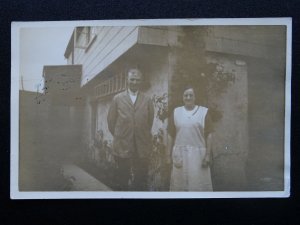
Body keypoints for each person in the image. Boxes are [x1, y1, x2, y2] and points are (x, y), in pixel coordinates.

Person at [107, 68, 154, 191]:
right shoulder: (117, 98)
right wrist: (121, 135)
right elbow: (111, 122)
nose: (134, 82)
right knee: (122, 178)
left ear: (141, 81)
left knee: (140, 179)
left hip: (141, 146)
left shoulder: (147, 99)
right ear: (127, 80)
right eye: (132, 79)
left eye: (137, 80)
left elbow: (149, 122)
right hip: (123, 145)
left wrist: (139, 133)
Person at [168, 86, 213, 191]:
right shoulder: (176, 112)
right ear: (182, 97)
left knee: (198, 185)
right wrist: (167, 155)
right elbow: (170, 134)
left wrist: (207, 155)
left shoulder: (204, 112)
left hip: (198, 156)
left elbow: (209, 135)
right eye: (185, 95)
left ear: (195, 97)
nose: (188, 98)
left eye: (191, 95)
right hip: (180, 154)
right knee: (179, 185)